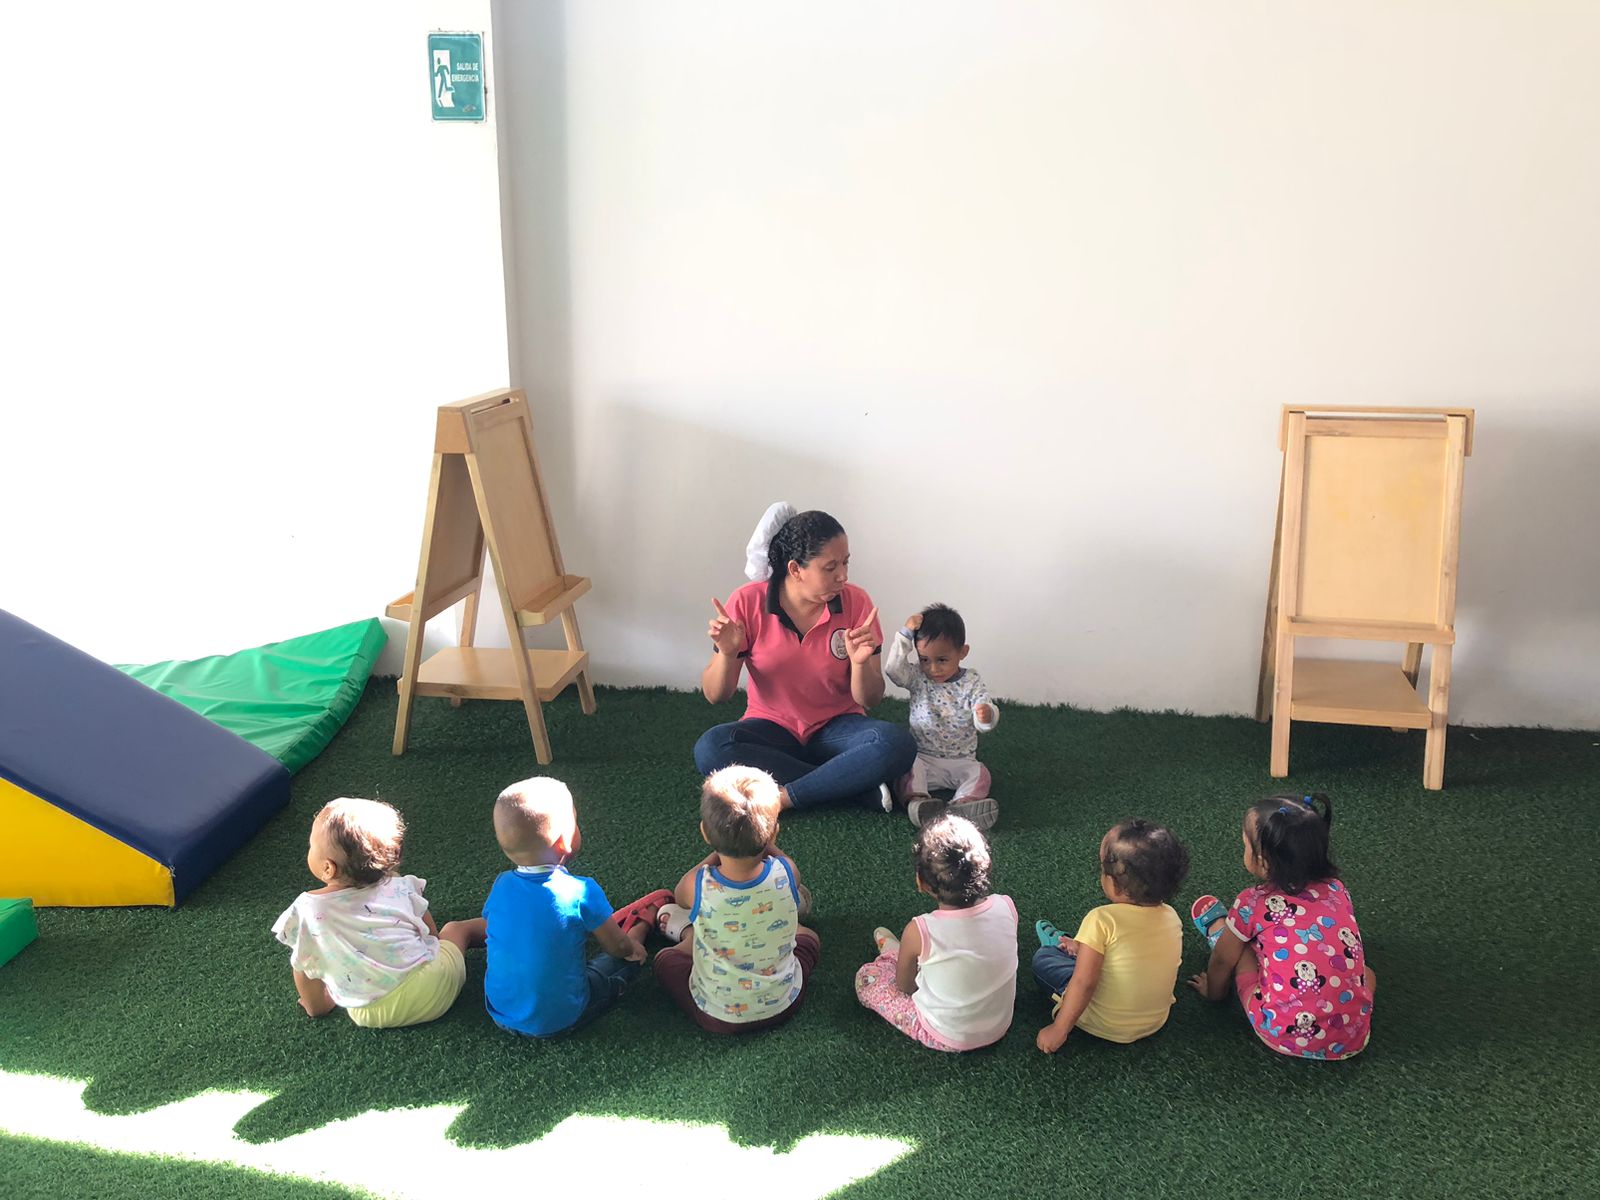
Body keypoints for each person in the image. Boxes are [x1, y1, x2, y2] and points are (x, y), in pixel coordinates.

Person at [694, 503, 917, 812]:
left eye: (845, 563)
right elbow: (715, 695)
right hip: (772, 729)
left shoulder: (857, 602)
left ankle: (785, 796)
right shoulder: (747, 601)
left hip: (838, 729)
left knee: (896, 744)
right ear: (795, 569)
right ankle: (852, 787)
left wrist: (860, 663)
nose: (843, 576)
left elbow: (870, 698)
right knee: (711, 749)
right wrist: (728, 654)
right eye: (830, 567)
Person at [440, 777, 668, 1039]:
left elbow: (498, 925)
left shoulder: (501, 884)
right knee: (621, 960)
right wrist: (629, 947)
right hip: (561, 1019)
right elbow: (616, 947)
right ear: (564, 842)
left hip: (501, 1014)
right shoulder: (581, 891)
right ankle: (639, 928)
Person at [1187, 793, 1374, 1060]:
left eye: (1245, 845)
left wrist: (1212, 993)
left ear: (1263, 860)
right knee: (1366, 972)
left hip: (1282, 1034)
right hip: (1353, 1037)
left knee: (1240, 951)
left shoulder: (1252, 902)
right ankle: (1345, 1010)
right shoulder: (1337, 889)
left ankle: (1219, 930)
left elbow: (1221, 960)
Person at [653, 766, 821, 1034]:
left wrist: (717, 852)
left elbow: (679, 895)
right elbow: (786, 867)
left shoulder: (698, 884)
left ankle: (690, 936)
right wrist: (763, 842)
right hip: (785, 1003)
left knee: (664, 960)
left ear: (705, 833)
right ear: (774, 834)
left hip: (718, 1017)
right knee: (809, 937)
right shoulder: (787, 870)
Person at [272, 797, 466, 1027]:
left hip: (371, 1013)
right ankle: (489, 930)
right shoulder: (398, 885)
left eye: (311, 846)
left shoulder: (306, 909)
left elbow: (303, 965)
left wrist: (316, 1006)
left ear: (328, 868)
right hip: (436, 986)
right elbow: (428, 930)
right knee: (456, 930)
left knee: (306, 955)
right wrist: (434, 943)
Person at [855, 812, 1017, 1051]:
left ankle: (893, 953)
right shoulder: (1006, 906)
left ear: (921, 882)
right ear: (987, 865)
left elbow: (905, 986)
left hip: (945, 1034)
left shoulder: (920, 930)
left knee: (866, 978)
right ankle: (902, 955)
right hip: (1000, 1025)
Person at [1031, 819, 1188, 1054]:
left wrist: (1059, 1029)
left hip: (1104, 1022)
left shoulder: (1101, 919)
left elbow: (1084, 983)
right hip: (1155, 1020)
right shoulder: (1172, 917)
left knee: (1044, 959)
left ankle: (1071, 949)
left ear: (1115, 884)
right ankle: (1081, 948)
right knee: (1094, 956)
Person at [883, 603, 1000, 830]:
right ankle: (919, 802)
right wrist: (905, 635)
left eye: (942, 660)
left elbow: (984, 710)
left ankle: (963, 804)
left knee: (980, 774)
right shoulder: (917, 676)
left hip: (962, 759)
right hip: (923, 756)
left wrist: (987, 716)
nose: (933, 668)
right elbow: (893, 670)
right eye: (925, 659)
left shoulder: (971, 681)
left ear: (962, 652)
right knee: (907, 768)